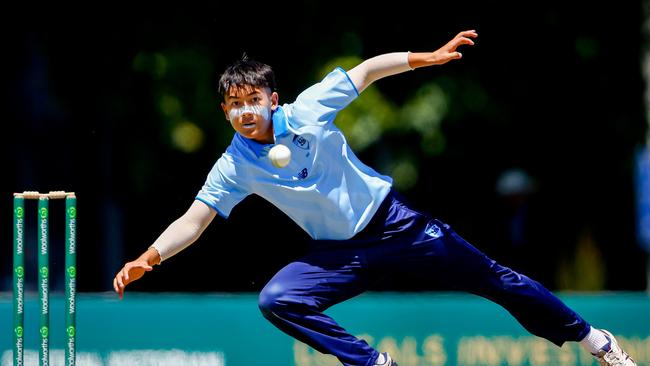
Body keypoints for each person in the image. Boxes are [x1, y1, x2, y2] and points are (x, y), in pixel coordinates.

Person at [113, 30, 636, 366]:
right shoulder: (232, 165)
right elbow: (195, 219)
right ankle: (372, 364)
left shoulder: (309, 110)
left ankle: (596, 341)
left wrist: (425, 58)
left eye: (254, 101)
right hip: (340, 255)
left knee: (495, 279)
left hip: (394, 224)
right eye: (234, 106)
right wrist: (148, 257)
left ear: (273, 100)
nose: (245, 112)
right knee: (277, 298)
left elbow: (364, 71)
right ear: (224, 112)